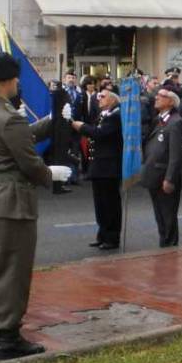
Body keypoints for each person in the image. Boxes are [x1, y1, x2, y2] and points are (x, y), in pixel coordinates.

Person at [0, 53, 71, 360]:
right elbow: (27, 160)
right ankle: (8, 336)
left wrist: (51, 121)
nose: (17, 84)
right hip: (12, 200)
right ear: (6, 81)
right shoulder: (9, 116)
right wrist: (49, 174)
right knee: (13, 270)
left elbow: (17, 139)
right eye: (15, 79)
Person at [72, 89, 123, 250]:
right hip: (99, 166)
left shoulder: (115, 117)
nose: (99, 99)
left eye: (103, 96)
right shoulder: (104, 115)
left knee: (110, 204)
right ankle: (102, 235)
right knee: (100, 204)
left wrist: (81, 127)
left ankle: (112, 237)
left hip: (109, 167)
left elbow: (99, 133)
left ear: (113, 100)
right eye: (99, 96)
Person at [141, 88, 182, 247]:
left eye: (162, 96)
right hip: (154, 174)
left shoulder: (176, 122)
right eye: (157, 95)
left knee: (168, 216)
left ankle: (170, 247)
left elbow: (176, 155)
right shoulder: (158, 120)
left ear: (171, 102)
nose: (157, 98)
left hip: (164, 176)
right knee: (159, 216)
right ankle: (164, 244)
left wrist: (169, 178)